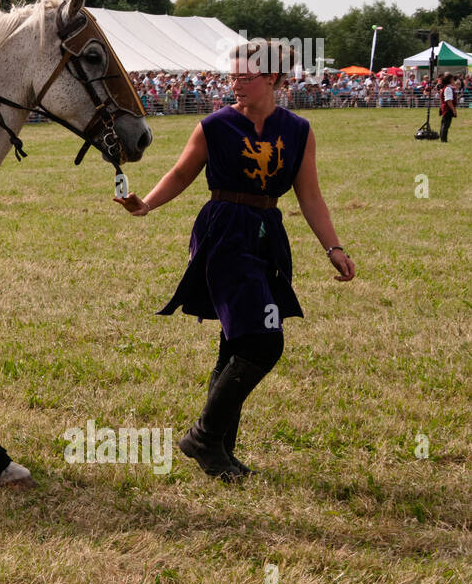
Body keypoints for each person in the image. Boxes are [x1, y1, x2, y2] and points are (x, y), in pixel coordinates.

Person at [115, 39, 356, 481]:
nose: (235, 85)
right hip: (223, 234)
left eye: (245, 78)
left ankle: (218, 451)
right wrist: (146, 204)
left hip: (268, 235)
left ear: (274, 79)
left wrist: (333, 248)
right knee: (265, 341)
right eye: (232, 78)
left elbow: (310, 196)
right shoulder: (214, 125)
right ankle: (204, 438)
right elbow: (181, 173)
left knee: (237, 343)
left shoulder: (298, 130)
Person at [438, 74, 458, 142]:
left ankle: (442, 138)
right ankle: (443, 140)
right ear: (450, 80)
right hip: (447, 108)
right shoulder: (448, 88)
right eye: (453, 79)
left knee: (444, 124)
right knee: (446, 124)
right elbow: (449, 101)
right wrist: (453, 110)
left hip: (445, 108)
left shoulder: (447, 88)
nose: (454, 80)